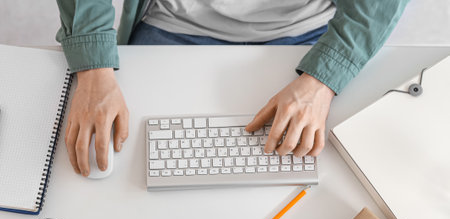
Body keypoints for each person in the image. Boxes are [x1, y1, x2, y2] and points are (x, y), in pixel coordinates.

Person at [55, 0, 409, 177]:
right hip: (173, 21)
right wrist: (93, 67)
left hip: (310, 32)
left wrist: (325, 77)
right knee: (119, 169)